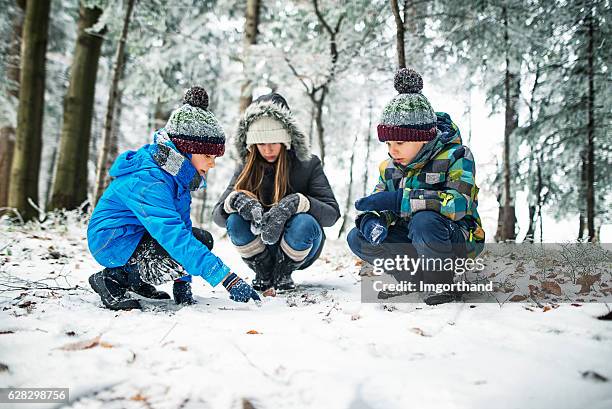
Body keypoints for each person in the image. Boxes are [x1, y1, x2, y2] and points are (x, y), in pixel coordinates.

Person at [87, 86, 260, 310]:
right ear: (185, 150)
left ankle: (135, 279)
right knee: (177, 248)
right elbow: (173, 236)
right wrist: (227, 279)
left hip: (137, 235)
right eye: (207, 155)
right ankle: (112, 279)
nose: (212, 163)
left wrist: (183, 283)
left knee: (202, 239)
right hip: (112, 241)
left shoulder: (177, 176)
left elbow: (183, 229)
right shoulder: (150, 180)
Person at [347, 68, 485, 304]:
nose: (393, 150)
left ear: (423, 137)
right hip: (411, 237)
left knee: (425, 221)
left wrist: (401, 200)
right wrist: (372, 220)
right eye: (388, 143)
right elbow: (380, 202)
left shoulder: (456, 156)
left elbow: (459, 203)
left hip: (456, 237)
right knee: (356, 237)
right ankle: (412, 280)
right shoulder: (389, 167)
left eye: (399, 142)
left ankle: (440, 283)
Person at [212, 93, 340, 292]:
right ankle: (263, 271)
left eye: (274, 142)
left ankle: (283, 272)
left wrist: (298, 203)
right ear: (252, 144)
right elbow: (218, 218)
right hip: (260, 246)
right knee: (234, 220)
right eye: (261, 143)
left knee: (304, 222)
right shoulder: (246, 166)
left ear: (286, 139)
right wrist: (235, 201)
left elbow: (332, 215)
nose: (268, 149)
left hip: (299, 244)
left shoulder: (308, 164)